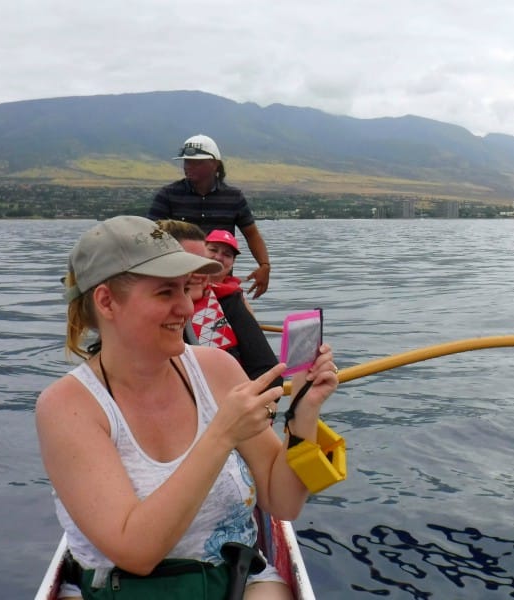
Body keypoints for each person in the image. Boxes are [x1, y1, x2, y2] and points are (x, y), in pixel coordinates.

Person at [36, 215, 338, 599]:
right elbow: (137, 554)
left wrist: (304, 413)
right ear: (106, 301)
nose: (187, 308)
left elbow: (283, 502)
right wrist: (221, 434)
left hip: (233, 581)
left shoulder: (217, 370)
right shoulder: (67, 406)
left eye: (186, 289)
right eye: (165, 293)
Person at [156, 219, 282, 389]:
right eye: (190, 263)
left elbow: (268, 372)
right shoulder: (136, 319)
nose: (201, 273)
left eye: (204, 264)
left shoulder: (229, 301)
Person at [146, 134, 272, 299]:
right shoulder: (168, 195)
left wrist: (264, 266)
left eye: (196, 162)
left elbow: (252, 234)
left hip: (221, 284)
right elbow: (151, 232)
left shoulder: (234, 197)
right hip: (181, 286)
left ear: (215, 165)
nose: (188, 166)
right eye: (186, 161)